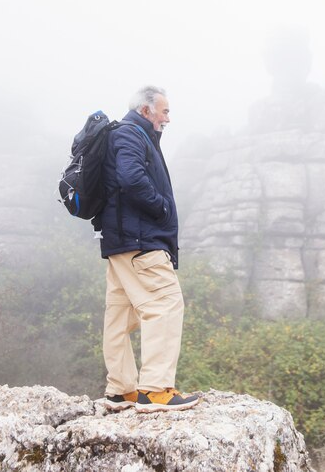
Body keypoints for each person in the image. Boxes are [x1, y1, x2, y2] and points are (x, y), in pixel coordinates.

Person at [99, 85, 199, 413]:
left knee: (121, 313)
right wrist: (162, 208)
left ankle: (121, 390)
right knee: (166, 305)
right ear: (146, 110)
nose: (168, 118)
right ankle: (155, 390)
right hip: (141, 241)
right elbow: (131, 178)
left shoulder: (129, 134)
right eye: (164, 111)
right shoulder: (130, 134)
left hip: (122, 243)